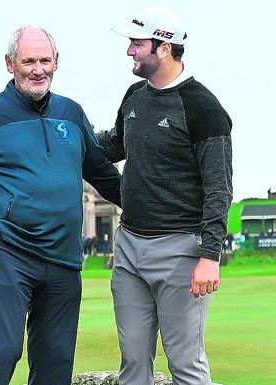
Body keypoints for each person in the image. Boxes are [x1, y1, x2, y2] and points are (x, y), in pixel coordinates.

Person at [0, 26, 121, 385]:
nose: (38, 69)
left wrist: (154, 208)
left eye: (44, 60)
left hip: (64, 259)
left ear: (57, 62)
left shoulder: (71, 113)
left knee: (55, 364)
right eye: (28, 61)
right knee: (0, 355)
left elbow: (103, 174)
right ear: (10, 64)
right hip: (10, 254)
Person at [96, 7, 232, 385]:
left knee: (185, 365)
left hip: (180, 253)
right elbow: (113, 145)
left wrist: (209, 256)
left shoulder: (203, 108)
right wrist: (69, 138)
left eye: (137, 44)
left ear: (164, 48)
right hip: (129, 246)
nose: (130, 52)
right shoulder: (135, 96)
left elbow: (219, 186)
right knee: (133, 362)